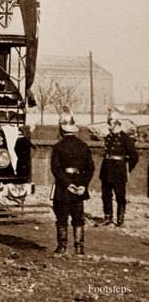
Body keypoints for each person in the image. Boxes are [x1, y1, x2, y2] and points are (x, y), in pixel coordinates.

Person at [50, 107, 94, 255]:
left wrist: (68, 184)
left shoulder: (58, 147)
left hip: (63, 187)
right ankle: (79, 247)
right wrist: (82, 185)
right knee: (78, 217)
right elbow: (90, 169)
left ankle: (62, 246)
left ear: (61, 130)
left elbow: (56, 169)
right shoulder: (84, 146)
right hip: (79, 183)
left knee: (61, 217)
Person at [100, 110, 139, 227]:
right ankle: (108, 217)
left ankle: (120, 219)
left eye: (110, 122)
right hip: (107, 169)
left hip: (119, 171)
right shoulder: (108, 137)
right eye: (108, 122)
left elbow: (134, 157)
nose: (108, 125)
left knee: (120, 196)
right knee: (106, 195)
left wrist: (127, 168)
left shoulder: (125, 138)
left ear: (117, 123)